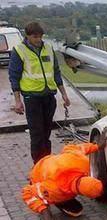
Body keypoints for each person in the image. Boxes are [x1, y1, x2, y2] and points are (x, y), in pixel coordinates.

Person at [22, 129, 107, 220]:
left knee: (76, 209)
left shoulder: (83, 163)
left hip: (50, 162)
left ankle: (55, 201)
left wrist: (97, 146)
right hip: (37, 175)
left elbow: (73, 147)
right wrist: (43, 210)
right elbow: (27, 192)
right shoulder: (55, 188)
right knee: (75, 211)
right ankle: (54, 202)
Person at [9, 21, 71, 164]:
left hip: (49, 96)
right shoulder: (19, 51)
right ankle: (38, 165)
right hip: (32, 98)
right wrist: (18, 101)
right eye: (35, 37)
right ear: (28, 36)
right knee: (37, 134)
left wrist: (64, 94)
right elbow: (14, 77)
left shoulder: (48, 48)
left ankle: (47, 162)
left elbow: (56, 73)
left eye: (40, 36)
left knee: (46, 132)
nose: (38, 40)